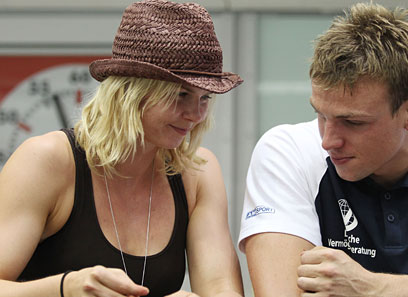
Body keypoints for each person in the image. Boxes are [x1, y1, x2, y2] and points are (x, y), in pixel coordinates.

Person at [238, 2, 408, 297]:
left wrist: (371, 287)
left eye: (353, 122)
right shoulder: (285, 152)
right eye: (321, 115)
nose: (328, 141)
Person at [0, 1, 244, 296]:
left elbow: (220, 287)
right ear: (131, 91)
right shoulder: (47, 160)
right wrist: (66, 287)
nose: (196, 114)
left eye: (205, 98)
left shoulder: (197, 171)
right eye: (181, 94)